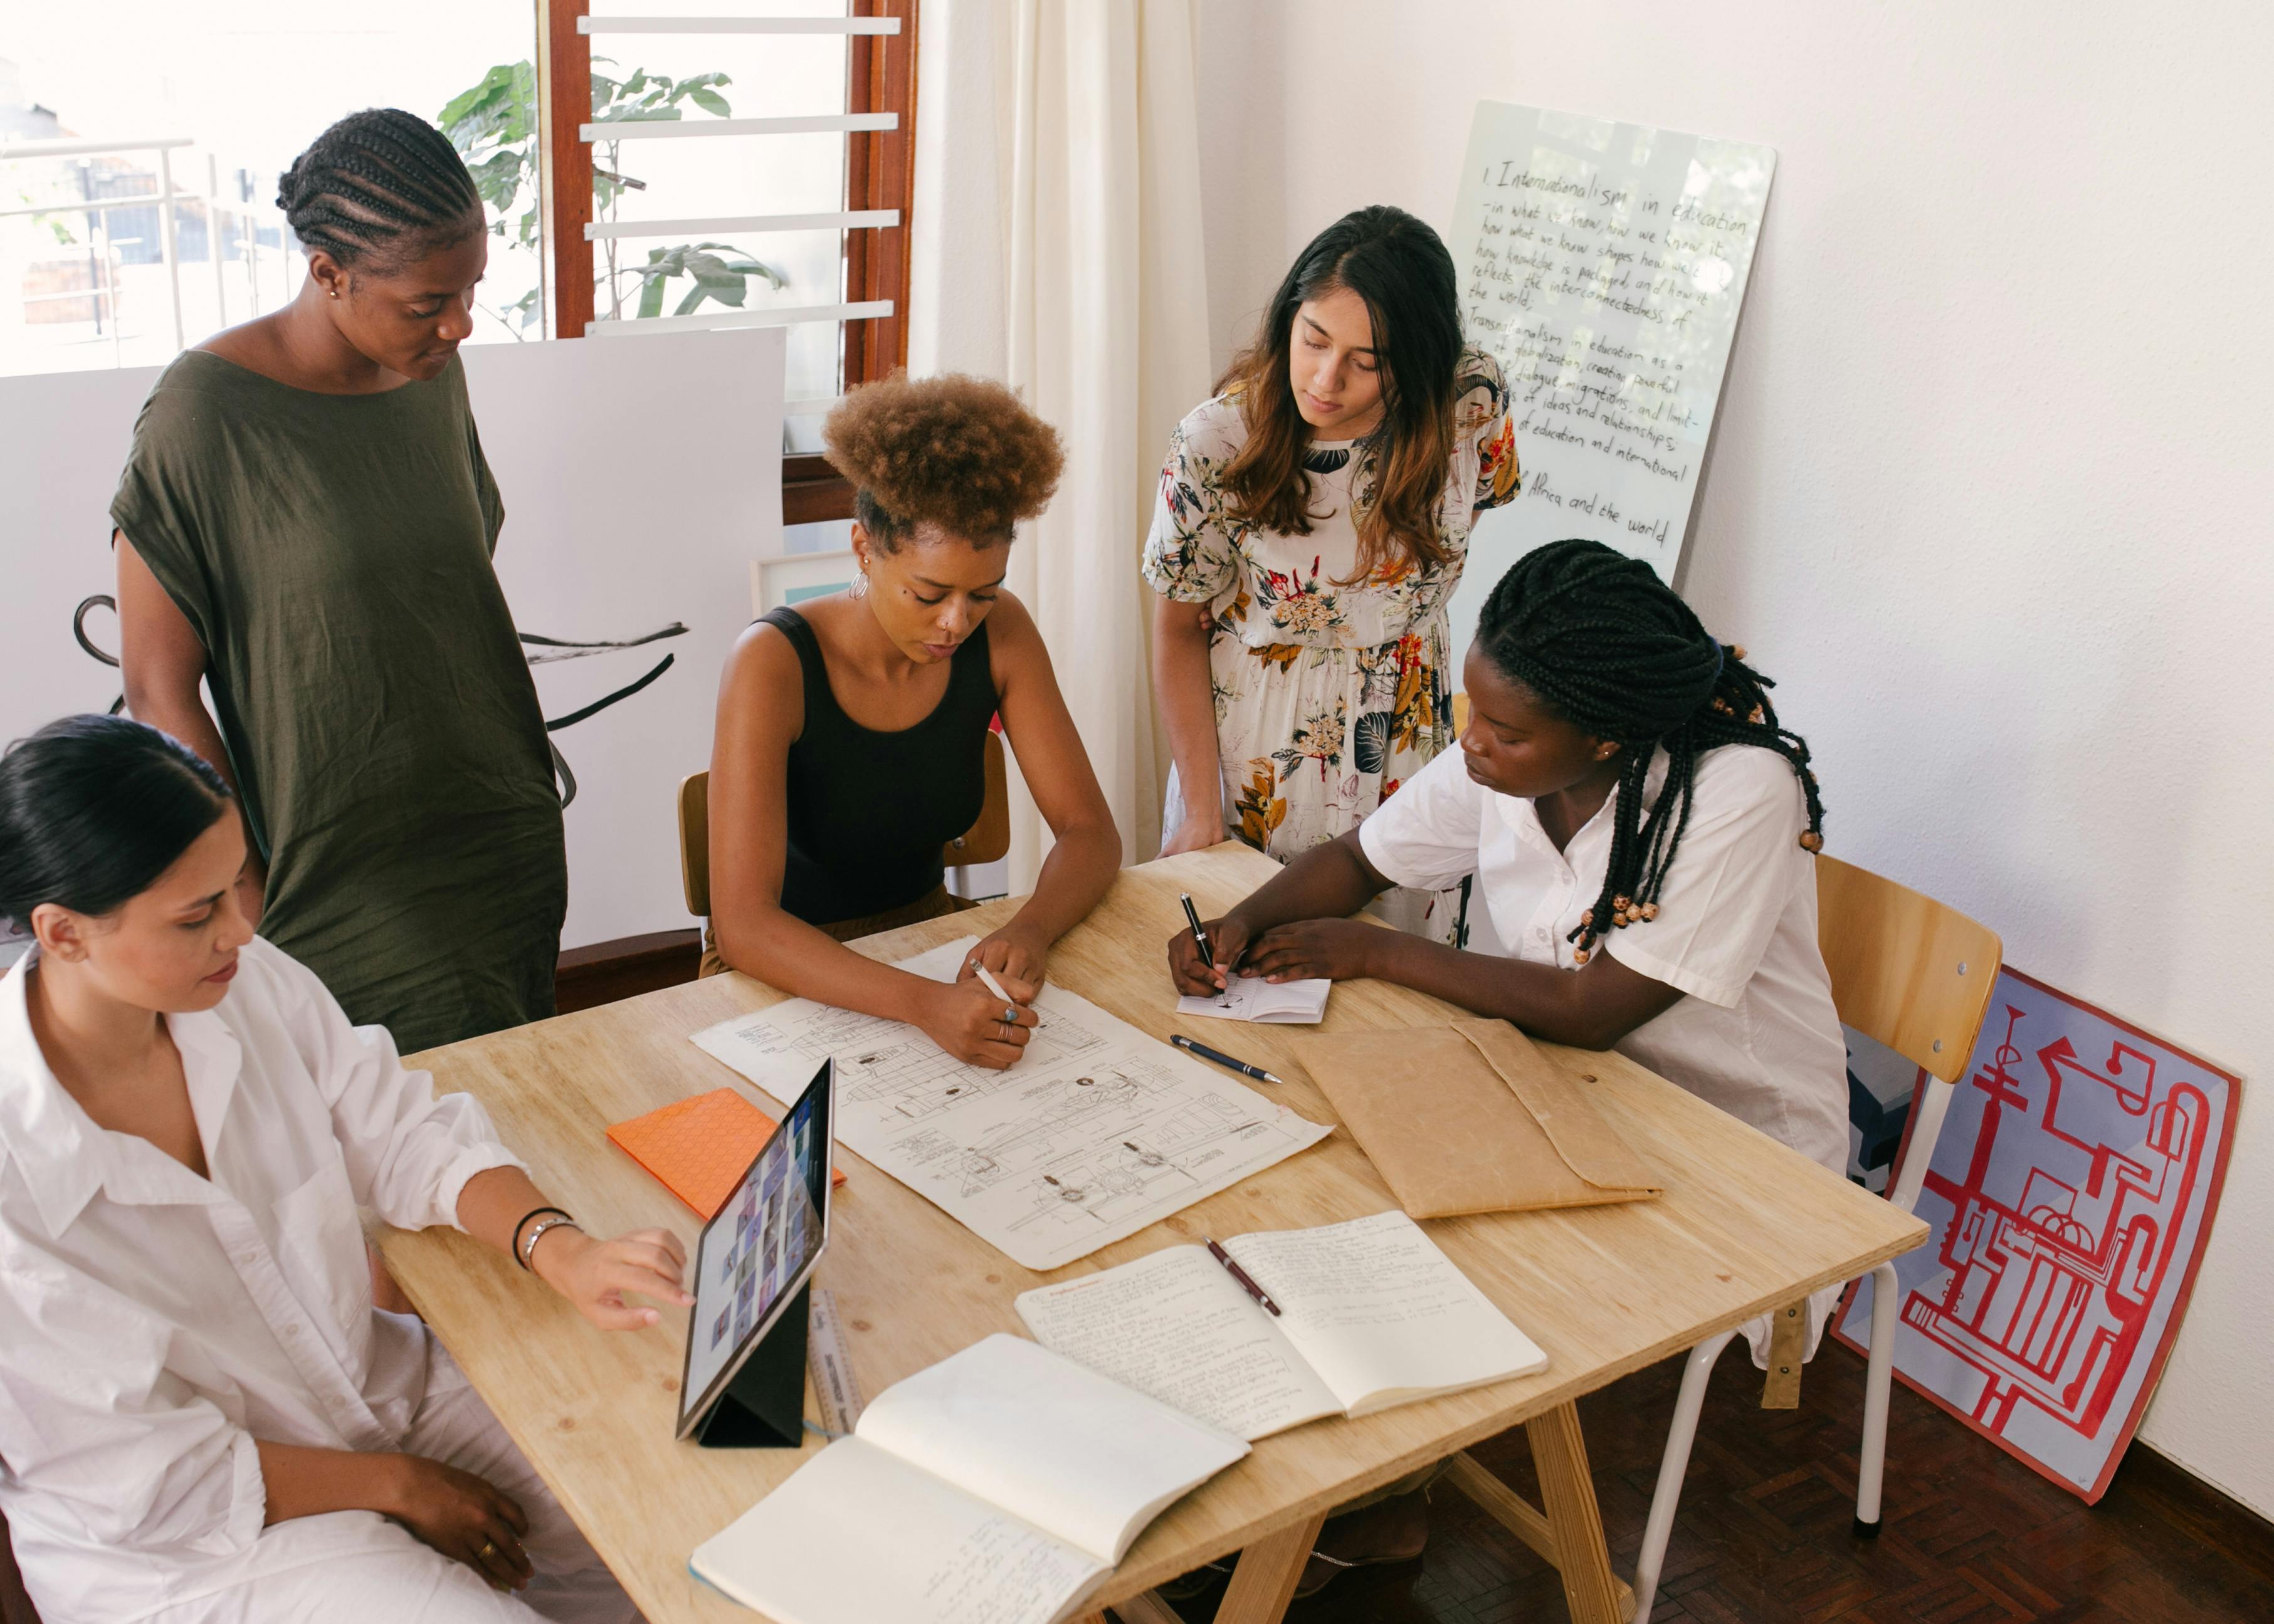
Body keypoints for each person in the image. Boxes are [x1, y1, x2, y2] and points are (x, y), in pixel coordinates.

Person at [1166, 538, 1848, 1595]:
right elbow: (1359, 861)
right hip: (1549, 1080)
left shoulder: (1737, 792)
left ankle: (1350, 1502)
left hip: (1721, 1141)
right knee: (1323, 1181)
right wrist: (1236, 922)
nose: (1470, 742)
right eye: (1472, 712)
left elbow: (1594, 1008)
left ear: (1604, 733)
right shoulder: (1511, 753)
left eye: (1502, 730)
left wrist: (1382, 949)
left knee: (1404, 1239)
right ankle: (1361, 1498)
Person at [0, 715, 690, 1623]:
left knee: (670, 1513)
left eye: (237, 883)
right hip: (191, 1543)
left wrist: (557, 1247)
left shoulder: (241, 980)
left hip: (367, 1386)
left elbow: (399, 1129)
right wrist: (397, 1485)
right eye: (196, 912)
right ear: (64, 933)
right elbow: (148, 1477)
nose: (241, 928)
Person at [112, 108, 564, 1056]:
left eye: (471, 289)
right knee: (384, 1138)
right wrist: (237, 880)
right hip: (335, 866)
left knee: (513, 1109)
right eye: (426, 302)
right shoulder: (204, 415)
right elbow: (158, 686)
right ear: (329, 272)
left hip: (496, 826)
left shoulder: (432, 371)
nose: (458, 322)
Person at [705, 373, 1121, 1067]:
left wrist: (1031, 928)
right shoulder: (772, 662)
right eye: (929, 594)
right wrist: (925, 1004)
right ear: (865, 548)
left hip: (929, 944)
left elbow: (1090, 832)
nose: (956, 622)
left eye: (983, 594)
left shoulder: (1003, 634)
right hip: (785, 974)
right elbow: (745, 926)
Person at [1145, 204, 1518, 941]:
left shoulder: (1469, 401)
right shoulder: (1218, 440)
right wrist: (1200, 808)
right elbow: (1175, 629)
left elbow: (1447, 544)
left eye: (1367, 360)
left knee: (1402, 989)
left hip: (1412, 738)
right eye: (1312, 339)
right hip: (1264, 749)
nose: (1324, 377)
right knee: (1249, 971)